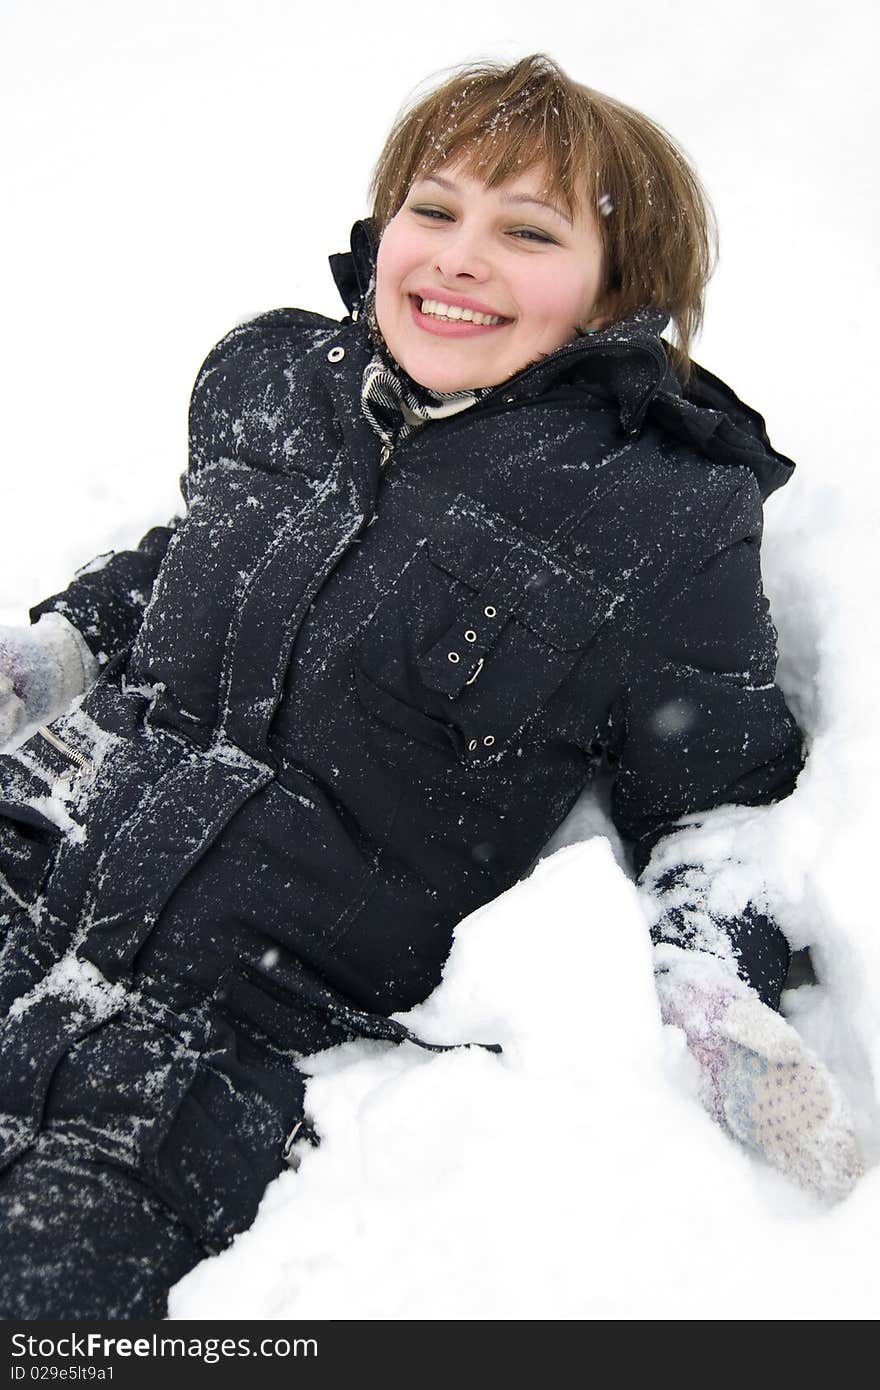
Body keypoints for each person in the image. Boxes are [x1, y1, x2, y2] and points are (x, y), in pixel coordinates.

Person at [0, 53, 862, 1319]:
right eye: (434, 209)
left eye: (525, 230)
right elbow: (189, 552)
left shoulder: (658, 512)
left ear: (618, 292)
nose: (461, 256)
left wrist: (713, 986)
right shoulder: (271, 377)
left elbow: (718, 801)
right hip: (33, 858)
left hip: (215, 1043)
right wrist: (55, 654)